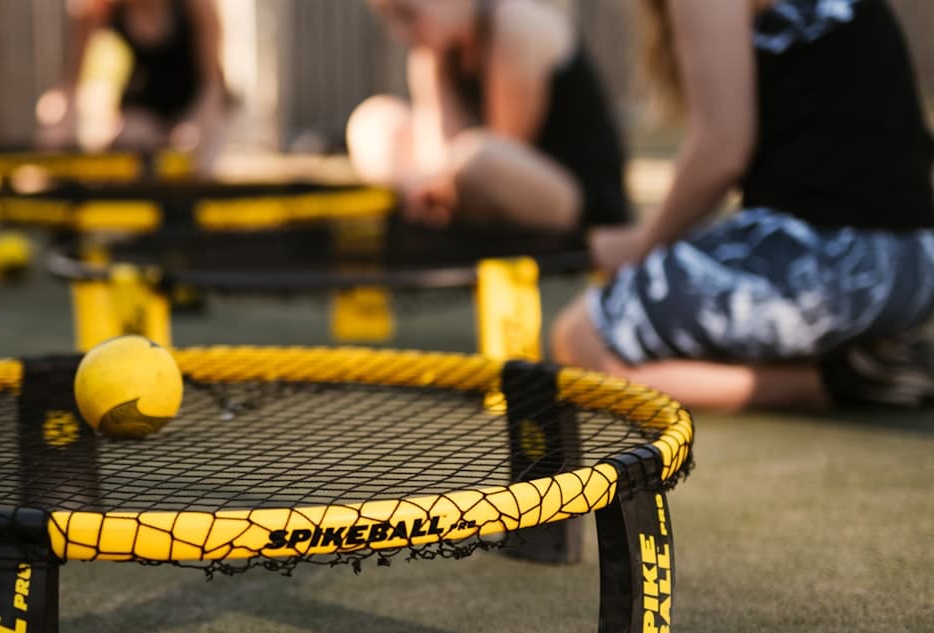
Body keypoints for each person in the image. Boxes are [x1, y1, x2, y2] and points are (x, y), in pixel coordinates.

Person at [551, 0, 934, 411]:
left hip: (828, 269)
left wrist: (644, 243)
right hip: (913, 266)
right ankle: (863, 354)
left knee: (581, 340)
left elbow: (721, 152)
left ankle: (843, 380)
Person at [347, 0, 630, 230]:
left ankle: (419, 206)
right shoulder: (436, 50)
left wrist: (440, 177)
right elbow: (439, 153)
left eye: (408, 15)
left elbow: (504, 149)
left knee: (478, 159)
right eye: (390, 18)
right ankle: (417, 204)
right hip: (472, 169)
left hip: (573, 198)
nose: (401, 33)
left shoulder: (515, 24)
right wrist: (425, 181)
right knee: (373, 122)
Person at [38, 0, 227, 173]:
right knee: (131, 144)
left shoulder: (196, 6)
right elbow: (71, 81)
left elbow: (212, 84)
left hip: (198, 104)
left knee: (197, 167)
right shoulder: (99, 8)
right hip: (145, 106)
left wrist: (196, 127)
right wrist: (59, 116)